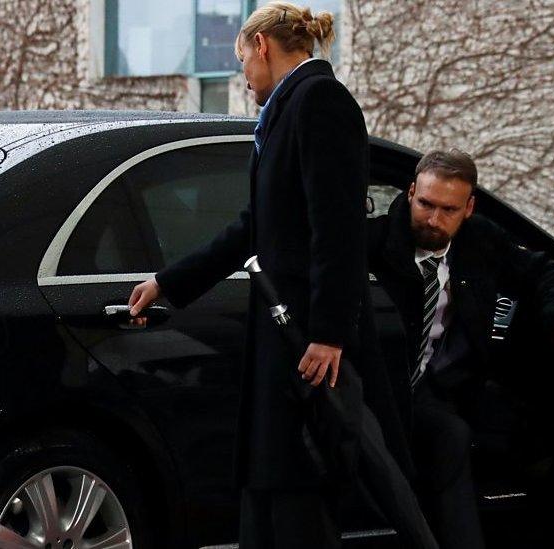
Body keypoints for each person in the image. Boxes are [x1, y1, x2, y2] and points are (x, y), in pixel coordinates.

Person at [127, 3, 409, 546]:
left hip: (305, 338)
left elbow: (338, 229)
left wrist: (329, 333)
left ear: (262, 47)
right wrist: (170, 281)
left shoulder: (320, 102)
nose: (244, 79)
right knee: (271, 486)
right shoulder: (289, 108)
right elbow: (256, 226)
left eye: (242, 64)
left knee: (297, 486)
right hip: (284, 334)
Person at [366, 148, 554, 549]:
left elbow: (543, 271)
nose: (433, 219)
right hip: (381, 392)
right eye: (425, 204)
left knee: (535, 434)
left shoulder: (479, 241)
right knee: (447, 437)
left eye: (448, 209)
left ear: (468, 208)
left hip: (441, 391)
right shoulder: (374, 243)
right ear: (410, 192)